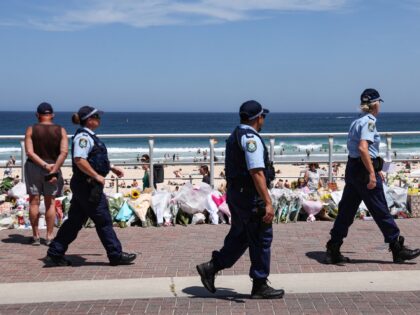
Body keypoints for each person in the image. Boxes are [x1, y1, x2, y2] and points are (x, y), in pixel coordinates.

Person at [196, 100, 284, 299]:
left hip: (237, 194)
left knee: (242, 235)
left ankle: (211, 268)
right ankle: (260, 284)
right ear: (257, 118)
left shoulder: (235, 134)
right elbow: (256, 172)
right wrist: (268, 202)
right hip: (250, 196)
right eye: (263, 116)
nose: (264, 120)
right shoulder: (250, 138)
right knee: (262, 237)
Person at [325, 89, 420, 264]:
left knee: (346, 210)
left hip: (353, 169)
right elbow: (363, 148)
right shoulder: (369, 122)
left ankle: (333, 247)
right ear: (375, 104)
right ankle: (397, 248)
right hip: (363, 171)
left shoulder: (356, 122)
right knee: (380, 208)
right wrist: (371, 173)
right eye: (379, 103)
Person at [46, 106, 136, 266]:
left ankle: (55, 252)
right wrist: (96, 176)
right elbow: (79, 160)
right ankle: (115, 255)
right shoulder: (84, 138)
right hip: (88, 186)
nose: (99, 120)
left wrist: (111, 167)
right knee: (103, 220)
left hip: (84, 185)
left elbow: (94, 159)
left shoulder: (89, 137)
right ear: (90, 120)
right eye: (97, 117)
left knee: (74, 221)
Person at [24, 102, 68, 245]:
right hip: (54, 167)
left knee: (34, 201)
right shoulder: (61, 130)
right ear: (52, 115)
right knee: (50, 203)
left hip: (34, 167)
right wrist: (53, 168)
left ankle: (36, 236)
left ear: (37, 115)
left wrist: (43, 165)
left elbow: (29, 153)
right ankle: (49, 236)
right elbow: (64, 152)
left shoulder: (31, 129)